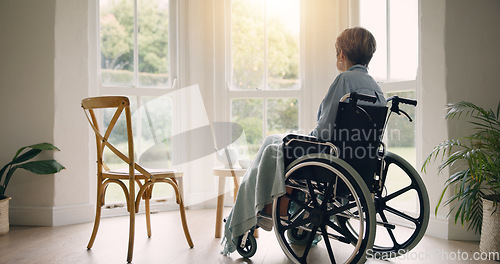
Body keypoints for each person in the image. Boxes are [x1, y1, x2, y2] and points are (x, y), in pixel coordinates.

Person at [221, 26, 386, 255]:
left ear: (341, 55)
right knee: (276, 141)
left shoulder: (344, 80)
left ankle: (250, 208)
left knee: (272, 143)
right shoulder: (376, 88)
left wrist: (307, 136)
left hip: (327, 156)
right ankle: (277, 202)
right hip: (357, 159)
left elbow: (325, 131)